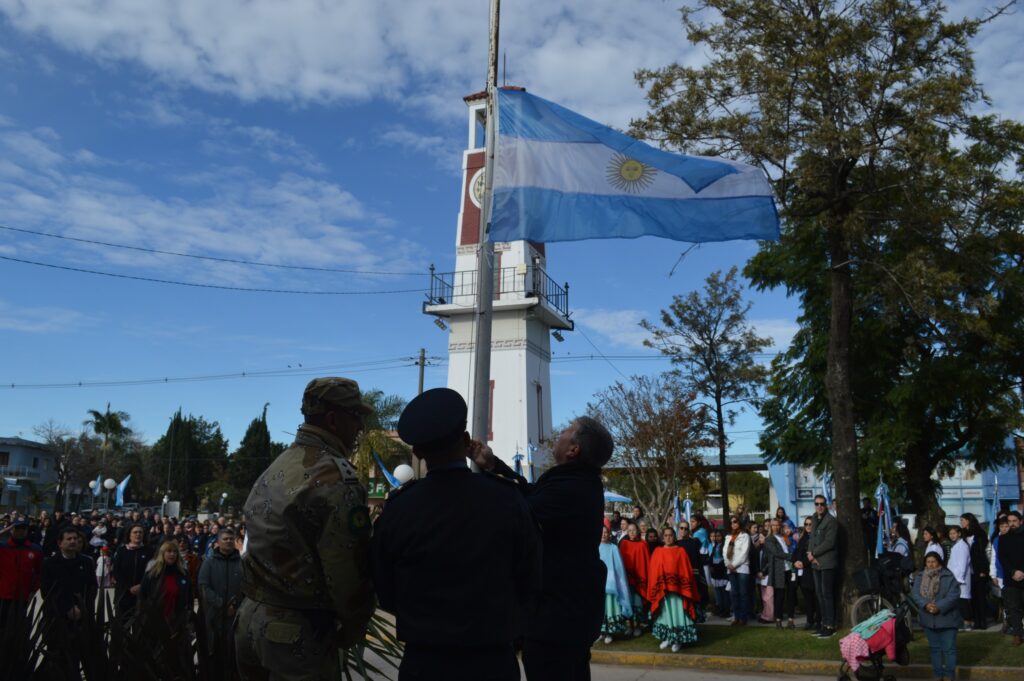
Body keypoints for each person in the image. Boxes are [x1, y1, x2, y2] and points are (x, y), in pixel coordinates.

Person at [371, 388, 540, 681]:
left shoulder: (399, 509)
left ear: (417, 452)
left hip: (425, 661)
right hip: (491, 660)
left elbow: (383, 588)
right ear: (465, 441)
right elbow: (531, 577)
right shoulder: (507, 500)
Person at [236, 377, 377, 681]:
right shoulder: (335, 477)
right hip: (295, 634)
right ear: (333, 419)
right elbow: (347, 571)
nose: (360, 428)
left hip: (250, 620)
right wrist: (354, 626)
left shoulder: (279, 465)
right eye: (356, 417)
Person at [470, 415, 613, 681]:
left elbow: (519, 511)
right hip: (568, 616)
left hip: (555, 619)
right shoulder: (575, 482)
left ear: (574, 449)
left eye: (566, 432)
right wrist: (493, 465)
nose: (559, 434)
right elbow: (529, 494)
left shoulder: (570, 487)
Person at [41, 527, 97, 681]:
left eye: (75, 539)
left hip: (81, 618)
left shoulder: (86, 562)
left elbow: (92, 588)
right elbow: (47, 592)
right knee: (57, 656)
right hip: (57, 619)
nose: (73, 542)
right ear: (60, 543)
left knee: (77, 656)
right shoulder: (50, 564)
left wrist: (82, 607)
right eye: (69, 539)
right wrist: (67, 608)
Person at [139, 541, 193, 676]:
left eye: (175, 552)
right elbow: (143, 597)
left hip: (176, 623)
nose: (172, 554)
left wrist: (188, 619)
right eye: (169, 551)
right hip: (155, 623)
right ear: (162, 554)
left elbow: (189, 598)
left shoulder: (183, 574)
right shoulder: (152, 574)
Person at [910, 552, 962, 681]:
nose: (931, 564)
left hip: (947, 619)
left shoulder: (948, 576)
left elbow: (954, 595)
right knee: (935, 649)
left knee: (949, 649)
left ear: (939, 562)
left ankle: (950, 675)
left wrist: (939, 606)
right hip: (928, 619)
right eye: (928, 562)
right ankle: (938, 675)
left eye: (934, 561)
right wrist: (926, 605)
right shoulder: (920, 576)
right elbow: (915, 594)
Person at [199, 528, 242, 678]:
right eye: (225, 539)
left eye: (231, 539)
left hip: (236, 615)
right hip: (214, 615)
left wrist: (236, 606)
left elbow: (247, 587)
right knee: (214, 652)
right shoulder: (209, 562)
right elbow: (204, 586)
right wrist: (222, 605)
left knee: (233, 652)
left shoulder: (242, 563)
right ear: (218, 542)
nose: (229, 541)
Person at [648, 527, 700, 652]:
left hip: (679, 591)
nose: (668, 537)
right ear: (662, 537)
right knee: (665, 614)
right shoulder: (657, 551)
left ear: (674, 537)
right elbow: (653, 572)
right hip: (663, 591)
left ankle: (678, 639)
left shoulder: (681, 551)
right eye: (665, 535)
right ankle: (667, 637)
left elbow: (686, 571)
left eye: (670, 535)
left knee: (678, 613)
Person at [0, 519, 43, 631]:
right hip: (3, 594)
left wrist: (33, 590)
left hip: (23, 596)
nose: (21, 532)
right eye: (17, 529)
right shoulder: (3, 547)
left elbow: (40, 573)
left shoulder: (35, 549)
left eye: (24, 529)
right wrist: (4, 530)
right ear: (11, 530)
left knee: (18, 628)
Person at [807, 494, 838, 637]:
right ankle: (823, 624)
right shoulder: (813, 518)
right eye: (817, 504)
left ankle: (830, 625)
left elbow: (829, 542)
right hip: (815, 563)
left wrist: (813, 553)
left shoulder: (831, 521)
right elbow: (812, 538)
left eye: (822, 504)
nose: (819, 506)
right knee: (819, 595)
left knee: (827, 595)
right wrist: (809, 553)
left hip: (827, 563)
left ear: (826, 506)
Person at [598, 525, 632, 644]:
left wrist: (617, 583)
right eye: (601, 532)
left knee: (610, 608)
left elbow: (619, 569)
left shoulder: (614, 548)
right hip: (599, 586)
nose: (603, 535)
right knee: (600, 609)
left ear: (609, 534)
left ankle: (609, 633)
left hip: (612, 586)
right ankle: (601, 632)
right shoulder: (594, 547)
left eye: (606, 532)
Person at [111, 523, 153, 621]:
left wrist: (141, 586)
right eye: (135, 532)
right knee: (122, 628)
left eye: (140, 532)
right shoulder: (121, 550)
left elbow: (152, 572)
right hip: (123, 595)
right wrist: (129, 587)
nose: (138, 534)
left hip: (142, 595)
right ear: (129, 535)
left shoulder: (149, 551)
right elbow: (116, 571)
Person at [618, 522, 651, 635]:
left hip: (639, 579)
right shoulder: (624, 544)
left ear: (638, 531)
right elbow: (620, 562)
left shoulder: (643, 544)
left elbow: (646, 562)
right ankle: (630, 625)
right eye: (629, 530)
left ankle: (638, 626)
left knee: (638, 603)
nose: (631, 532)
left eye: (634, 530)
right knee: (628, 602)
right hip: (626, 579)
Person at [996, 511, 1023, 646]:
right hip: (1011, 578)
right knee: (1013, 608)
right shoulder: (1003, 538)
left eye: (1014, 521)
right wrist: (1013, 572)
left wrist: (1022, 572)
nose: (1012, 524)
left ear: (1020, 521)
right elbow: (1002, 558)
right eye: (1010, 521)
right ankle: (1017, 634)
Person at [763, 518, 796, 629]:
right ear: (770, 527)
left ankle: (791, 620)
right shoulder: (769, 540)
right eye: (773, 525)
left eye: (777, 525)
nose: (776, 527)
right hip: (779, 570)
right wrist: (793, 557)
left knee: (791, 595)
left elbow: (791, 548)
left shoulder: (784, 537)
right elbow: (777, 553)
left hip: (790, 569)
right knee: (779, 596)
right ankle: (778, 620)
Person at [961, 513, 989, 631]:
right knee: (972, 597)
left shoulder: (980, 534)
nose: (961, 522)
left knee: (980, 596)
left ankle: (983, 621)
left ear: (969, 520)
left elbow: (983, 553)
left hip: (979, 570)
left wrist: (983, 570)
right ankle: (976, 620)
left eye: (963, 520)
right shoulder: (964, 534)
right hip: (969, 571)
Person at [723, 515, 751, 626]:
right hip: (731, 568)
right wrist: (728, 564)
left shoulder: (745, 536)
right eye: (731, 522)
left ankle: (743, 618)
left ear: (739, 523)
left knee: (743, 593)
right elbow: (725, 552)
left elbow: (744, 553)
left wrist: (734, 565)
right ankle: (736, 617)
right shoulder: (728, 537)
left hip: (742, 568)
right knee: (734, 594)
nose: (733, 524)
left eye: (735, 522)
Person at [946, 525, 972, 629]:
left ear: (959, 533)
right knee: (960, 601)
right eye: (950, 534)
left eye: (954, 533)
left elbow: (962, 564)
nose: (952, 536)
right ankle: (963, 621)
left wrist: (959, 578)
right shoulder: (956, 545)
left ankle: (968, 622)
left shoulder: (962, 546)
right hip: (955, 577)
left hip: (960, 579)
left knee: (963, 601)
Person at [708, 529, 730, 617]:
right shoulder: (715, 546)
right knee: (718, 592)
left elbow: (725, 558)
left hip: (721, 570)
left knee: (724, 592)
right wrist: (711, 565)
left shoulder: (724, 546)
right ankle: (720, 608)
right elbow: (711, 557)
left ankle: (726, 609)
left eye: (719, 536)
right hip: (715, 570)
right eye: (716, 536)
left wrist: (717, 566)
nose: (717, 538)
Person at [860, 498, 878, 562]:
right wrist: (863, 518)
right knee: (864, 551)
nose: (865, 505)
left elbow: (876, 522)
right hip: (864, 534)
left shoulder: (874, 512)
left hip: (872, 534)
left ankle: (873, 564)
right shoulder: (860, 511)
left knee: (872, 551)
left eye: (867, 503)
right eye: (864, 503)